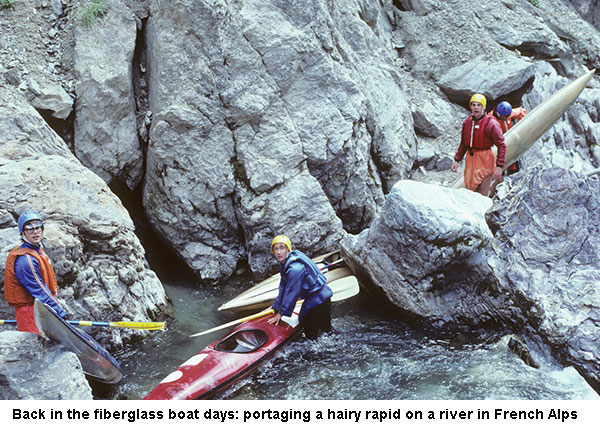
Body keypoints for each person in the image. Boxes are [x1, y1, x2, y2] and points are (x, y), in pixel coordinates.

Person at [4, 210, 66, 335]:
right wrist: (59, 311)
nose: (35, 232)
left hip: (40, 310)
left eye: (38, 227)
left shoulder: (36, 250)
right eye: (29, 229)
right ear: (22, 234)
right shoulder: (25, 260)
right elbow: (39, 291)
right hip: (30, 315)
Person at [266, 235, 333, 339]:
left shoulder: (295, 269)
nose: (279, 252)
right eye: (276, 249)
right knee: (327, 332)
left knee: (310, 337)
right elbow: (283, 286)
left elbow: (292, 292)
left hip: (317, 302)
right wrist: (276, 305)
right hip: (323, 298)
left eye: (282, 248)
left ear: (288, 249)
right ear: (273, 251)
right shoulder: (286, 262)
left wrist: (281, 314)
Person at [451, 93, 507, 196]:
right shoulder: (467, 122)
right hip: (471, 160)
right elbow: (463, 143)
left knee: (482, 193)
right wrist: (457, 160)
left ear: (483, 107)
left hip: (485, 159)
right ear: (470, 107)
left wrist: (499, 166)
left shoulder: (491, 123)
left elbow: (501, 145)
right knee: (471, 189)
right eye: (473, 105)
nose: (476, 107)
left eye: (478, 105)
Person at [489, 101, 527, 174]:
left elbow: (521, 112)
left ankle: (512, 171)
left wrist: (521, 128)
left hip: (511, 142)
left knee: (513, 165)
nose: (506, 118)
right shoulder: (491, 120)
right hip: (498, 146)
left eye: (507, 117)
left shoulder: (506, 113)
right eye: (505, 117)